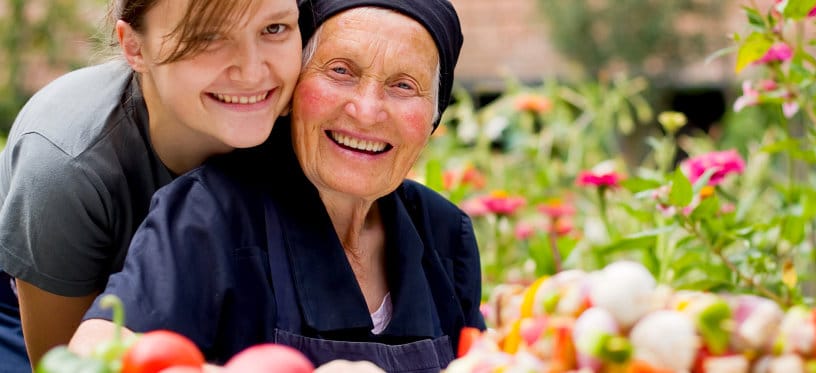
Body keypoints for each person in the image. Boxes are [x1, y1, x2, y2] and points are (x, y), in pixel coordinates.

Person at [70, 0, 484, 371]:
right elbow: (98, 352)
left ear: (433, 116)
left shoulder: (446, 233)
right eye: (341, 72)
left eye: (403, 86)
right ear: (294, 90)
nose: (367, 111)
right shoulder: (211, 211)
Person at [0, 0, 304, 369]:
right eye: (207, 36)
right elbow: (71, 362)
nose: (253, 71)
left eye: (274, 29)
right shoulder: (66, 166)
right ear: (134, 47)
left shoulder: (305, 122)